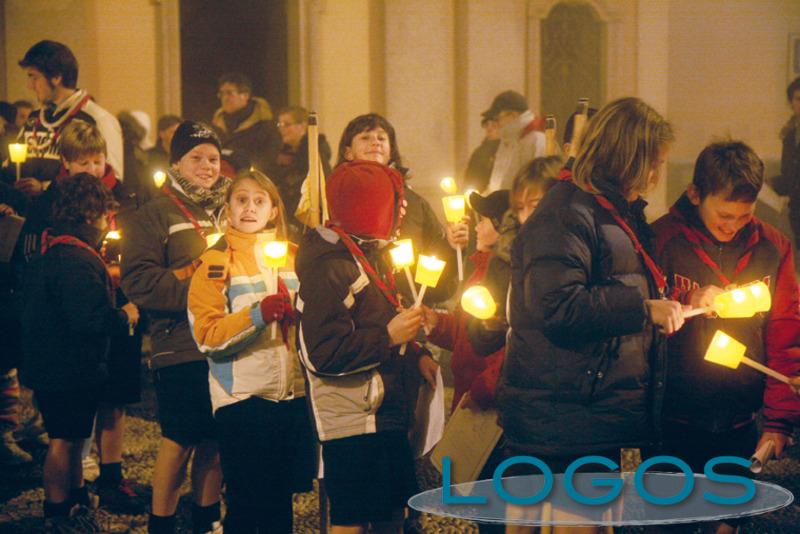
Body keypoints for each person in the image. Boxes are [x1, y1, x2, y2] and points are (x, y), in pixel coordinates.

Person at [497, 98, 684, 528]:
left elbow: (620, 280)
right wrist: (643, 309)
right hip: (562, 413)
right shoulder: (568, 212)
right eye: (653, 163)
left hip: (587, 408)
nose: (657, 176)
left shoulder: (615, 212)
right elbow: (559, 306)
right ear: (629, 159)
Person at [652, 140, 800, 534]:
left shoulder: (772, 247)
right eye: (723, 214)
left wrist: (779, 422)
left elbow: (785, 331)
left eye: (744, 215)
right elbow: (638, 309)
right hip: (673, 417)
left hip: (739, 418)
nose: (733, 225)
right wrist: (685, 299)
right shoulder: (663, 240)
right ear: (695, 193)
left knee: (727, 523)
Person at [296, 160, 438, 534]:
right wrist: (389, 337)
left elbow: (381, 318)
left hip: (383, 413)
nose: (403, 210)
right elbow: (321, 353)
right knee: (353, 518)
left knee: (394, 511)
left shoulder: (367, 255)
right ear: (371, 207)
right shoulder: (329, 268)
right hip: (352, 422)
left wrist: (417, 353)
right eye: (396, 202)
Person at [188, 169, 315, 532]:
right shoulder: (215, 262)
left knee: (280, 501)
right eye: (241, 199)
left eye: (260, 200)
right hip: (242, 397)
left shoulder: (295, 257)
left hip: (290, 396)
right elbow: (207, 334)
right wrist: (258, 314)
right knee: (246, 502)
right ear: (228, 209)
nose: (249, 207)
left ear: (274, 210)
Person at [121, 121, 226, 534]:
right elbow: (141, 282)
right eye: (196, 158)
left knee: (215, 440)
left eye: (214, 158)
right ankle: (160, 523)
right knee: (180, 438)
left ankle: (206, 518)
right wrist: (197, 281)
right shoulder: (153, 215)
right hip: (179, 344)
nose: (207, 166)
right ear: (177, 163)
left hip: (226, 341)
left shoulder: (230, 208)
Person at [19, 173, 138, 532]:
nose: (107, 224)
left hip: (57, 365)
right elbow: (88, 318)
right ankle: (57, 511)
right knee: (62, 440)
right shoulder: (75, 259)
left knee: (71, 438)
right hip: (66, 368)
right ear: (90, 214)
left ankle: (75, 499)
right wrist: (124, 315)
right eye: (105, 215)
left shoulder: (58, 250)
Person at [336, 113, 466, 305]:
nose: (375, 143)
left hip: (409, 306)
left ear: (391, 151)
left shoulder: (413, 203)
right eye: (365, 138)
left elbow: (435, 260)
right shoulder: (337, 199)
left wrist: (451, 246)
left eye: (382, 138)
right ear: (348, 152)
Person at [2, 40, 123, 193]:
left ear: (56, 77)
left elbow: (111, 182)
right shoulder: (34, 119)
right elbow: (10, 168)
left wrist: (45, 189)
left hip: (70, 214)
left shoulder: (98, 119)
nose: (30, 86)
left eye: (34, 77)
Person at [271, 105, 332, 240]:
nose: (282, 129)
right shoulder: (282, 153)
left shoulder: (315, 151)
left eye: (287, 124)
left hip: (307, 219)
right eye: (280, 124)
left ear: (303, 126)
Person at [211, 72, 281, 175]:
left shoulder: (265, 126)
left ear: (245, 95)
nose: (224, 98)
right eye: (221, 93)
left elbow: (268, 159)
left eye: (229, 93)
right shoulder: (216, 126)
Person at [484, 90, 546, 192]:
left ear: (512, 115)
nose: (497, 124)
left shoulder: (537, 139)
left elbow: (537, 183)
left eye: (497, 118)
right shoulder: (509, 139)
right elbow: (498, 180)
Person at [773, 76, 800, 254]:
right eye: (798, 99)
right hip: (796, 206)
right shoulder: (790, 134)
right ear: (791, 102)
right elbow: (788, 173)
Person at [464, 113, 501, 193]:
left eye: (494, 125)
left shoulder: (505, 151)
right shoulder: (479, 152)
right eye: (487, 125)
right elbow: (470, 175)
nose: (489, 128)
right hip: (478, 194)